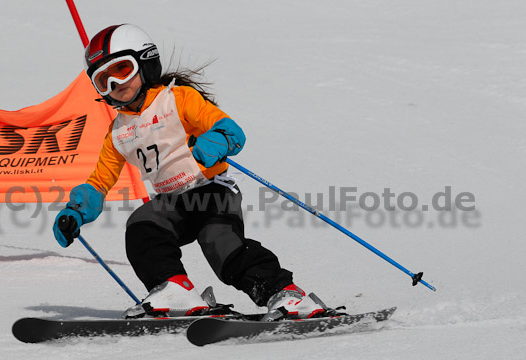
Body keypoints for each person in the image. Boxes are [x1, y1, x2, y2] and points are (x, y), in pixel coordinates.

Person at [53, 24, 331, 321]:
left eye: (122, 69)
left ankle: (286, 295)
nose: (114, 84)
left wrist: (216, 141)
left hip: (211, 191)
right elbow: (99, 181)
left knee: (221, 247)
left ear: (146, 63)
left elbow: (230, 131)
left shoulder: (178, 99)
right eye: (103, 80)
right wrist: (76, 211)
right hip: (172, 203)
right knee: (142, 225)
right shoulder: (118, 132)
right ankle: (174, 289)